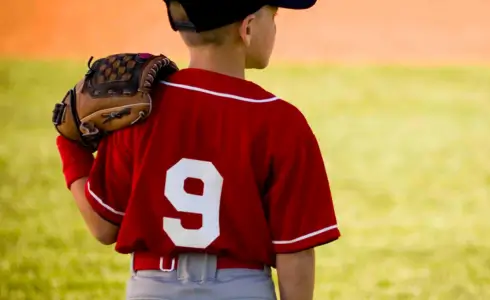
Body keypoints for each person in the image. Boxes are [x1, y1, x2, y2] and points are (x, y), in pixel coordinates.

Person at [54, 0, 341, 299]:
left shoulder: (139, 110)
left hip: (151, 289)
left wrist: (70, 145)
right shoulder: (281, 121)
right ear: (248, 28)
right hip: (241, 288)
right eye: (274, 16)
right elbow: (296, 253)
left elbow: (103, 226)